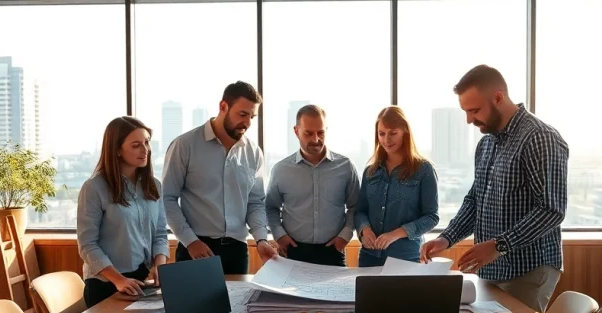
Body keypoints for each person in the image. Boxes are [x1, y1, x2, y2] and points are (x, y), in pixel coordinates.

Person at [420, 65, 568, 313]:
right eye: (466, 112)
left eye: (474, 110)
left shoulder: (539, 137)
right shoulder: (487, 143)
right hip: (491, 269)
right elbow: (475, 201)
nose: (469, 120)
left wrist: (499, 245)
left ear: (498, 97)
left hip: (528, 269)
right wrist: (447, 238)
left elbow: (551, 210)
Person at [162, 81, 277, 274]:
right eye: (243, 114)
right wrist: (191, 241)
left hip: (237, 252)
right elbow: (167, 198)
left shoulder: (253, 152)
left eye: (252, 116)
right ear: (223, 107)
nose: (248, 123)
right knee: (192, 305)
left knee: (236, 305)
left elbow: (255, 202)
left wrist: (261, 239)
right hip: (196, 249)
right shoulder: (185, 145)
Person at [77, 116, 169, 308]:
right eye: (136, 145)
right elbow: (87, 245)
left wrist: (160, 264)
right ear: (117, 150)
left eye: (146, 143)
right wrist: (118, 280)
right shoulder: (94, 188)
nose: (145, 150)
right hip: (106, 285)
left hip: (140, 283)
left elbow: (160, 233)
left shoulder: (154, 186)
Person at [266, 105, 359, 267]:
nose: (316, 139)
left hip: (333, 251)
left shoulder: (345, 167)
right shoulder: (281, 170)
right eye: (308, 133)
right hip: (293, 251)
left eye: (321, 133)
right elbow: (270, 207)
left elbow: (355, 206)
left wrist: (345, 237)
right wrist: (279, 235)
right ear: (296, 131)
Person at [354, 106, 439, 267]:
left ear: (405, 132)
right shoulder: (370, 171)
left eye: (393, 133)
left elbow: (432, 217)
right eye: (381, 133)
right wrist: (365, 230)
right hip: (368, 258)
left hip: (406, 258)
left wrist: (395, 234)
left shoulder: (423, 170)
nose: (386, 139)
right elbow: (360, 211)